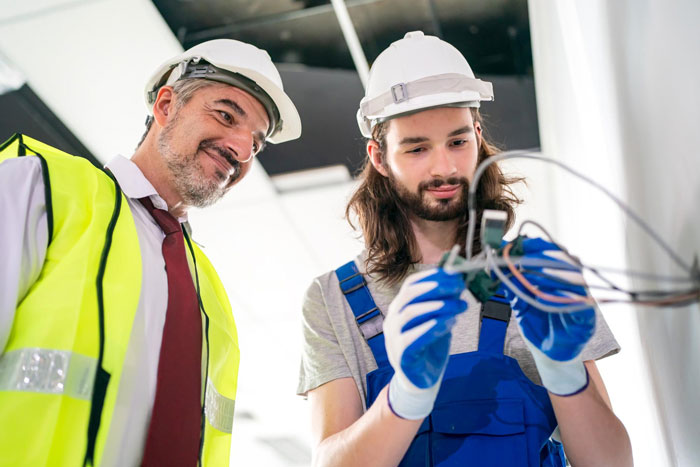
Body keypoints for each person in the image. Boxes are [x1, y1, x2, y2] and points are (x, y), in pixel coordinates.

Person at [297, 31, 633, 466]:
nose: (445, 167)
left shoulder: (534, 275)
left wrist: (564, 370)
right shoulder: (332, 299)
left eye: (458, 142)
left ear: (478, 136)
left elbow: (612, 463)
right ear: (379, 157)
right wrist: (404, 398)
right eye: (417, 148)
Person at [0, 39, 301, 466]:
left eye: (257, 141)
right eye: (226, 114)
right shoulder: (40, 187)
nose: (241, 149)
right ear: (165, 106)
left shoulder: (210, 295)